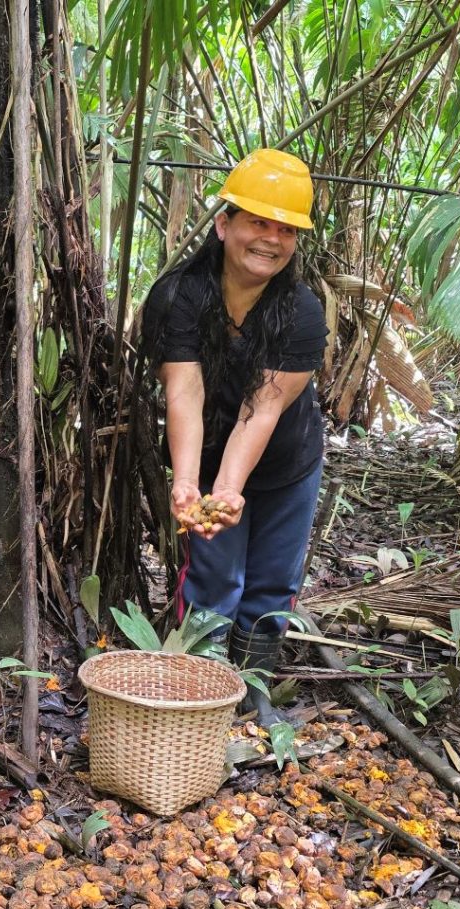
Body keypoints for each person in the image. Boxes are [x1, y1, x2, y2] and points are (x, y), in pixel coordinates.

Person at [141, 148, 328, 726]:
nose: (271, 239)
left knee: (273, 579)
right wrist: (190, 485)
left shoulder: (300, 310)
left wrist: (227, 490)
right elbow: (185, 394)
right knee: (217, 575)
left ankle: (251, 692)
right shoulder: (178, 297)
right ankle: (200, 690)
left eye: (286, 230)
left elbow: (263, 409)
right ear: (224, 225)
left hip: (287, 460)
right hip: (208, 448)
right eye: (258, 223)